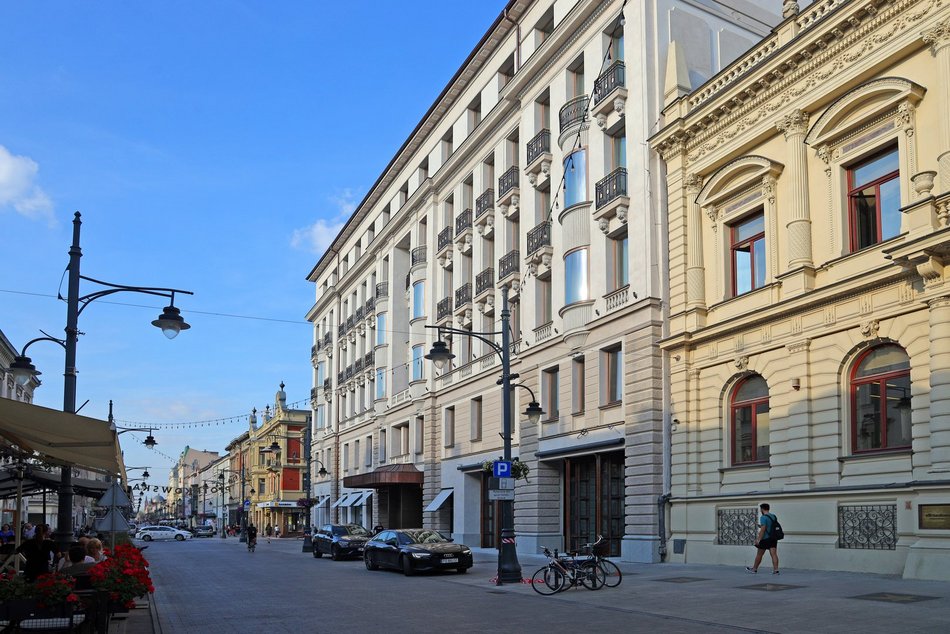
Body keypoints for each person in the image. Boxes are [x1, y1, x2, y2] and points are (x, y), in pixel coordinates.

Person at [746, 502, 780, 575]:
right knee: (774, 554)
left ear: (762, 509)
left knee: (759, 554)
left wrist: (758, 539)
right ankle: (776, 570)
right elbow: (770, 526)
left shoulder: (763, 517)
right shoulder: (773, 516)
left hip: (765, 538)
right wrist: (761, 526)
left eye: (760, 509)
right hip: (773, 537)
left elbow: (763, 530)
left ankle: (754, 569)